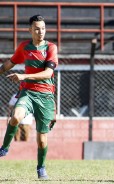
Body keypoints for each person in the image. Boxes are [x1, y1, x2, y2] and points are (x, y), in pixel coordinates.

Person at [0, 15, 58, 180]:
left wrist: (23, 76)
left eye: (43, 28)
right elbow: (8, 64)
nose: (41, 32)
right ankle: (4, 147)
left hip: (46, 96)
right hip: (28, 93)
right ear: (30, 30)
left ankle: (41, 168)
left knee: (41, 141)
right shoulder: (24, 47)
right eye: (37, 28)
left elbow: (48, 73)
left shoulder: (51, 48)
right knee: (16, 117)